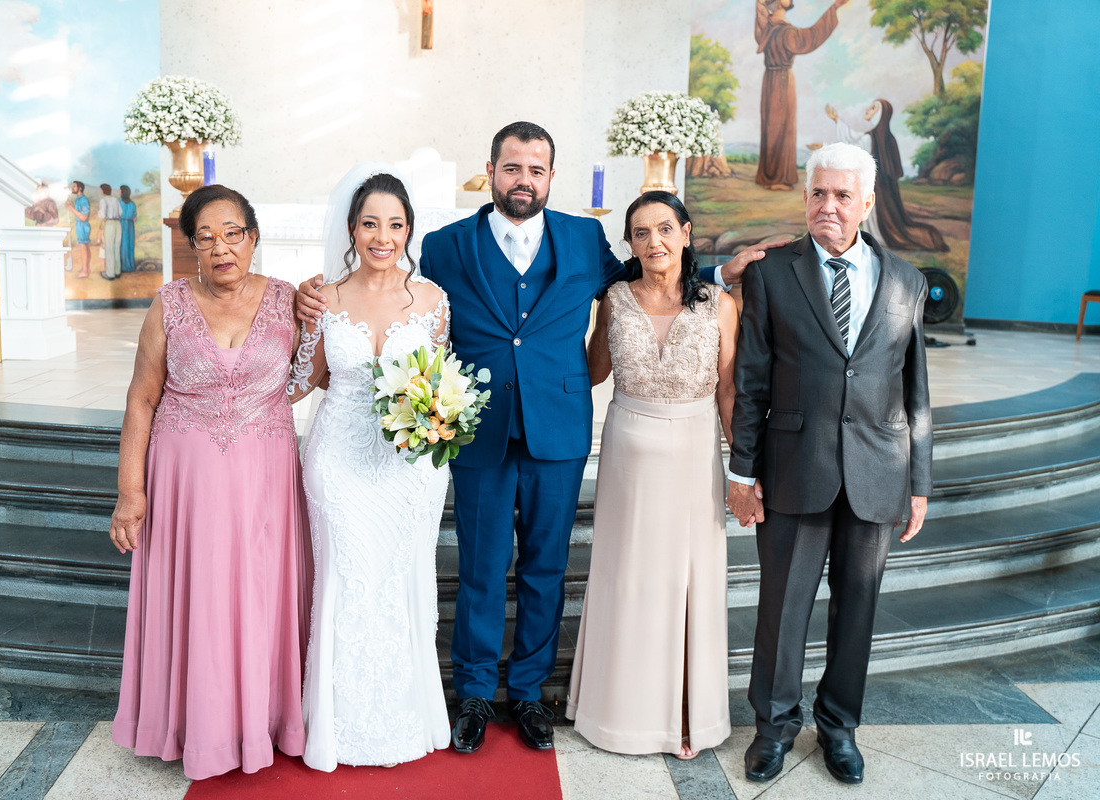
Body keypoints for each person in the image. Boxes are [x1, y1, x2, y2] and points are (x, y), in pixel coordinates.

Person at [296, 123, 779, 756]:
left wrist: (716, 270)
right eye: (512, 168)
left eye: (537, 170)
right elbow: (386, 285)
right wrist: (313, 294)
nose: (524, 180)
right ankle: (473, 692)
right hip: (476, 432)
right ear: (491, 170)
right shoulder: (444, 246)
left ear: (552, 177)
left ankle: (527, 692)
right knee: (481, 568)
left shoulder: (583, 239)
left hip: (559, 428)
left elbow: (648, 272)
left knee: (547, 566)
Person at [727, 142, 932, 785]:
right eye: (818, 193)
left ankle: (839, 727)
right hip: (794, 466)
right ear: (805, 198)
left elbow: (916, 390)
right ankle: (774, 727)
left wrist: (918, 483)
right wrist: (740, 472)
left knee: (859, 609)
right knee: (781, 609)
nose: (829, 206)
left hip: (879, 473)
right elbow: (752, 381)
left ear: (867, 203)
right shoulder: (771, 272)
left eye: (843, 196)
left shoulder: (906, 280)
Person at [109, 184, 309, 780]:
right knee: (198, 598)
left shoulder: (288, 300)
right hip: (185, 484)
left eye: (233, 233)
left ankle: (264, 723)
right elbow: (141, 399)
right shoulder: (168, 304)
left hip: (265, 479)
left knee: (257, 596)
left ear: (253, 238)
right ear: (191, 245)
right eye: (206, 237)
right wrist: (130, 493)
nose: (221, 247)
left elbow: (307, 378)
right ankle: (192, 729)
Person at [567, 191, 738, 760]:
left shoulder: (718, 304)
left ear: (687, 233)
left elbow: (730, 390)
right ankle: (616, 712)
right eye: (640, 233)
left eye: (664, 229)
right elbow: (591, 369)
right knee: (629, 576)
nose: (654, 242)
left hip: (694, 451)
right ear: (630, 244)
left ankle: (688, 713)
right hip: (627, 457)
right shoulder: (613, 300)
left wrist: (743, 469)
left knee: (690, 580)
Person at [291, 170, 451, 772]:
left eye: (396, 224)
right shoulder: (323, 299)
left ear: (409, 229)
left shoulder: (433, 301)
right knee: (347, 576)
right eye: (370, 223)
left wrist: (440, 423)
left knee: (402, 579)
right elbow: (301, 382)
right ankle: (337, 724)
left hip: (411, 468)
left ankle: (409, 713)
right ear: (352, 229)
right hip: (339, 458)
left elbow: (440, 388)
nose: (383, 236)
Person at [828, 100, 949, 252]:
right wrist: (837, 120)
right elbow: (854, 139)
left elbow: (853, 143)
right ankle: (875, 235)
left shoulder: (871, 138)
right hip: (886, 188)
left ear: (879, 114)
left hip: (876, 187)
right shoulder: (887, 137)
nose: (868, 109)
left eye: (872, 108)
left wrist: (837, 123)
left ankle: (877, 236)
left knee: (877, 214)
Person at [755, 0, 848, 190]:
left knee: (773, 127)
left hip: (770, 80)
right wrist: (834, 8)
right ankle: (777, 179)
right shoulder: (786, 32)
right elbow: (810, 37)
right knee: (781, 127)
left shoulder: (768, 29)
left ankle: (770, 176)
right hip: (781, 82)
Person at [98, 183, 123, 280]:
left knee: (109, 248)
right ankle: (117, 272)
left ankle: (110, 274)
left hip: (110, 224)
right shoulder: (115, 200)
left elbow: (102, 215)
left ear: (103, 191)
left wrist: (99, 213)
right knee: (116, 248)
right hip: (118, 223)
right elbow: (120, 213)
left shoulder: (103, 200)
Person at [68, 181, 91, 278]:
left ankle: (85, 271)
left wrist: (71, 209)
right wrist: (73, 207)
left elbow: (84, 217)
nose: (72, 188)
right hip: (80, 226)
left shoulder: (83, 200)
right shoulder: (79, 199)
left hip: (83, 226)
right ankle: (85, 269)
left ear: (80, 188)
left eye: (74, 186)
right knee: (85, 247)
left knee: (84, 248)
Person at [118, 185, 138, 272]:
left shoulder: (119, 203)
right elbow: (135, 217)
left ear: (123, 192)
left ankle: (123, 266)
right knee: (129, 244)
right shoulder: (132, 204)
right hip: (130, 226)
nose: (119, 192)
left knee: (122, 245)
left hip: (121, 224)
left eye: (120, 191)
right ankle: (130, 266)